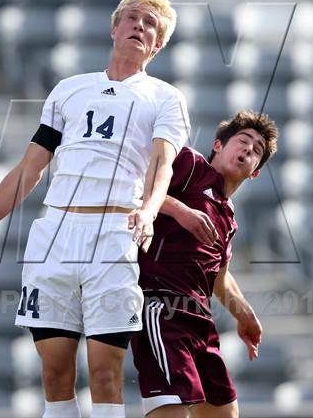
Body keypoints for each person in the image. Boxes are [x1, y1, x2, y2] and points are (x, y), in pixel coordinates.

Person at [0, 0, 190, 418]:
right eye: (132, 18)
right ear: (114, 28)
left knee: (106, 373)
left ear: (158, 44)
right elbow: (28, 169)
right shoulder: (69, 91)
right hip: (54, 235)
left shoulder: (164, 97)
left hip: (113, 235)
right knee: (54, 373)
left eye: (149, 24)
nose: (139, 26)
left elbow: (163, 163)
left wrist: (147, 210)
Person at [131, 110, 278, 418]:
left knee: (225, 412)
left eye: (257, 150)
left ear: (255, 172)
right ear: (218, 146)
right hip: (162, 309)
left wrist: (245, 314)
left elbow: (219, 277)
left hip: (200, 322)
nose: (249, 149)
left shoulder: (229, 218)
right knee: (172, 410)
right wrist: (180, 210)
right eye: (243, 140)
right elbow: (131, 187)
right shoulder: (190, 164)